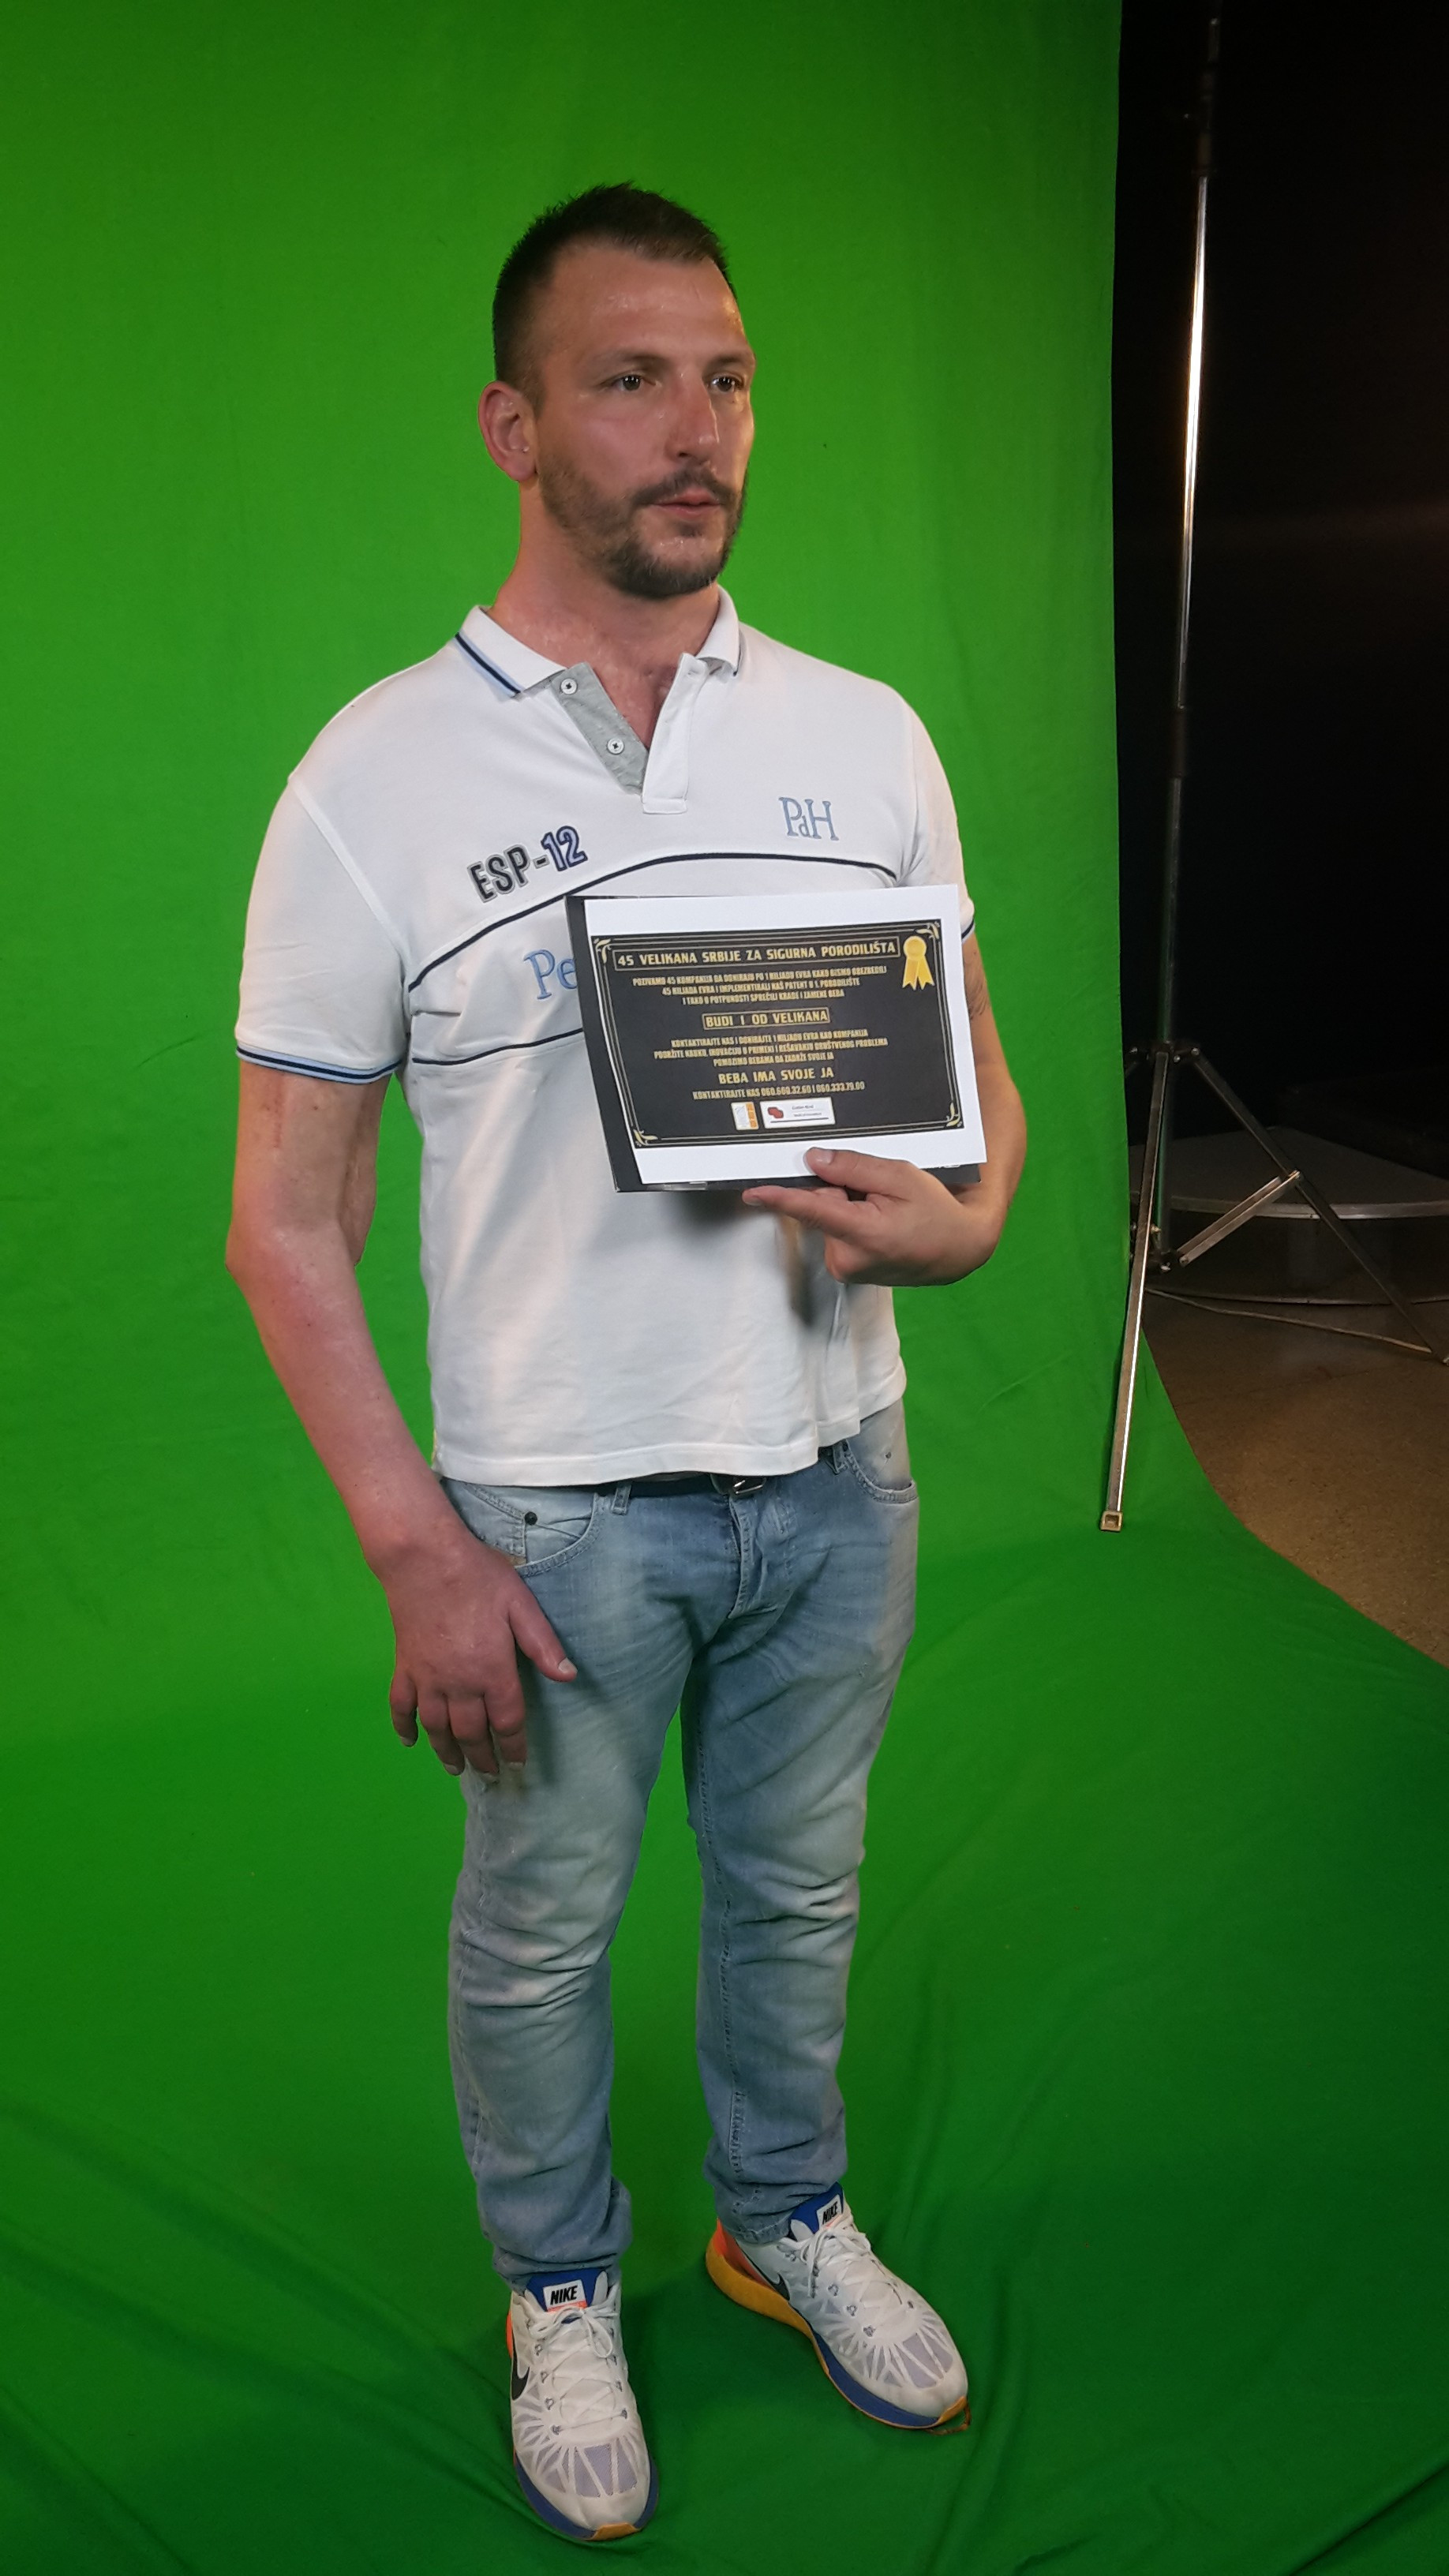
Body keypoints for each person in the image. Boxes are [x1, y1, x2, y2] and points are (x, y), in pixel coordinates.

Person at [227, 183, 1026, 2545]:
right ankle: (557, 2282)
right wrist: (416, 1549)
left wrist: (970, 1221)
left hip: (841, 1472)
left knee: (799, 1896)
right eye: (631, 380)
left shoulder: (865, 735)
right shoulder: (371, 779)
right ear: (513, 424)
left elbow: (974, 1096)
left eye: (730, 378)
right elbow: (286, 1221)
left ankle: (782, 2218)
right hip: (555, 1515)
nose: (699, 431)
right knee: (543, 1929)